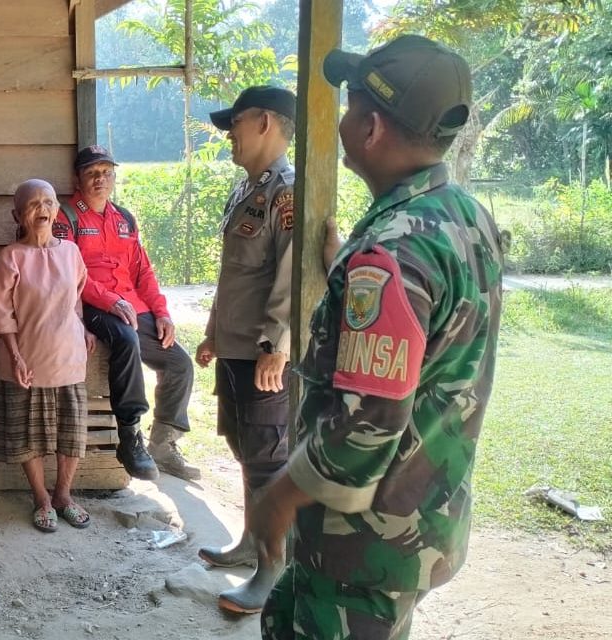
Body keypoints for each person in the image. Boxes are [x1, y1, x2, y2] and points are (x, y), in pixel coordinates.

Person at [249, 35, 504, 640]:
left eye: (351, 104)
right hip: (418, 519)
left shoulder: (391, 250)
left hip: (361, 546)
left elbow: (369, 421)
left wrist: (280, 497)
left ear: (370, 128)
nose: (343, 120)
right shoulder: (464, 215)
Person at [192, 85, 298, 614]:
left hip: (263, 355)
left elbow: (291, 275)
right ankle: (252, 542)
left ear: (264, 122)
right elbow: (234, 274)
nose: (228, 134)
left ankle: (272, 568)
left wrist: (277, 345)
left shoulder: (287, 192)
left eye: (234, 122)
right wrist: (214, 331)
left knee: (268, 460)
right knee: (246, 450)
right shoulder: (247, 190)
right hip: (236, 348)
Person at [53, 145, 198, 482]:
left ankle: (164, 444)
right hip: (91, 306)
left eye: (106, 172)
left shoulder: (124, 219)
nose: (100, 179)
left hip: (132, 306)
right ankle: (130, 436)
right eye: (92, 173)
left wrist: (162, 313)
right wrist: (109, 301)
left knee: (180, 363)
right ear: (77, 179)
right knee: (126, 338)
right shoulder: (66, 217)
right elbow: (68, 273)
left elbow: (143, 272)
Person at [0, 179, 97, 533]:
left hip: (68, 355)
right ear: (17, 215)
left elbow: (76, 298)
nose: (43, 209)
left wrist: (83, 328)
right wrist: (16, 356)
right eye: (34, 204)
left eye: (49, 202)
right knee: (28, 434)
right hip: (26, 359)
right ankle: (41, 498)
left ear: (57, 211)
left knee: (71, 430)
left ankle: (63, 495)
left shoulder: (71, 252)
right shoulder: (11, 256)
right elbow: (3, 313)